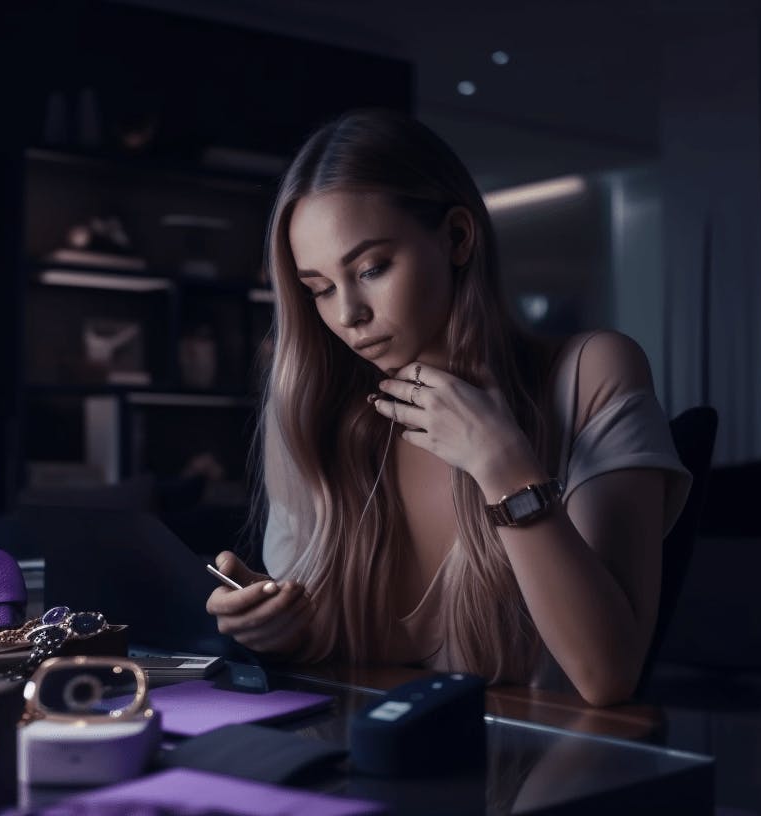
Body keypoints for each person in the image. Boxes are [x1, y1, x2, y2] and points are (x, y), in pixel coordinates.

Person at [205, 109, 690, 706]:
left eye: (372, 268)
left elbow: (607, 675)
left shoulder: (590, 372)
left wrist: (506, 468)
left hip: (540, 776)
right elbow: (347, 663)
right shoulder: (313, 409)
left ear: (458, 237)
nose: (348, 314)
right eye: (320, 289)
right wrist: (281, 629)